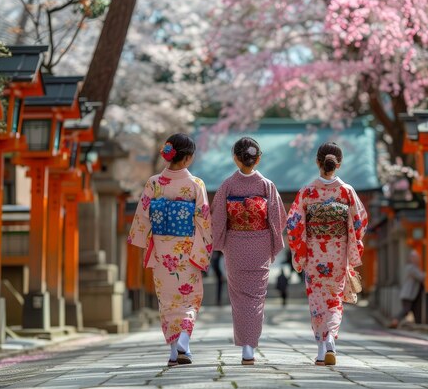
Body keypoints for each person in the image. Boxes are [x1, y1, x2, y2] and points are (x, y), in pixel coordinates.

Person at [127, 134, 213, 367]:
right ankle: (183, 341)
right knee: (190, 297)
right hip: (187, 249)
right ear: (186, 158)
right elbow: (203, 219)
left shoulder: (154, 182)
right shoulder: (196, 184)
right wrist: (208, 246)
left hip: (162, 250)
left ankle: (175, 351)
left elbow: (143, 217)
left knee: (167, 300)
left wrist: (144, 241)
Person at [286, 142, 368, 367]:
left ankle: (322, 349)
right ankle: (331, 338)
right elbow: (360, 222)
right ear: (338, 164)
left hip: (314, 253)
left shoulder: (307, 191)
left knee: (317, 301)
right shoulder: (346, 191)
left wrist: (299, 250)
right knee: (334, 300)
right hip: (338, 252)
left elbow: (293, 224)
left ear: (317, 162)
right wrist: (349, 237)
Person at [211, 137, 287, 365]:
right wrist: (274, 242)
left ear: (235, 158)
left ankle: (245, 345)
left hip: (235, 244)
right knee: (256, 298)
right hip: (260, 244)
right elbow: (277, 219)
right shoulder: (267, 186)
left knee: (239, 298)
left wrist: (219, 242)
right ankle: (249, 347)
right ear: (258, 158)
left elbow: (217, 220)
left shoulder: (227, 185)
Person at [388, 250, 425, 329]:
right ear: (411, 258)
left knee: (415, 310)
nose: (417, 259)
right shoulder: (411, 268)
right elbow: (421, 277)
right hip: (408, 294)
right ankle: (395, 320)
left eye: (418, 258)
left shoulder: (412, 267)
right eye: (415, 258)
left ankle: (417, 324)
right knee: (406, 310)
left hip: (412, 295)